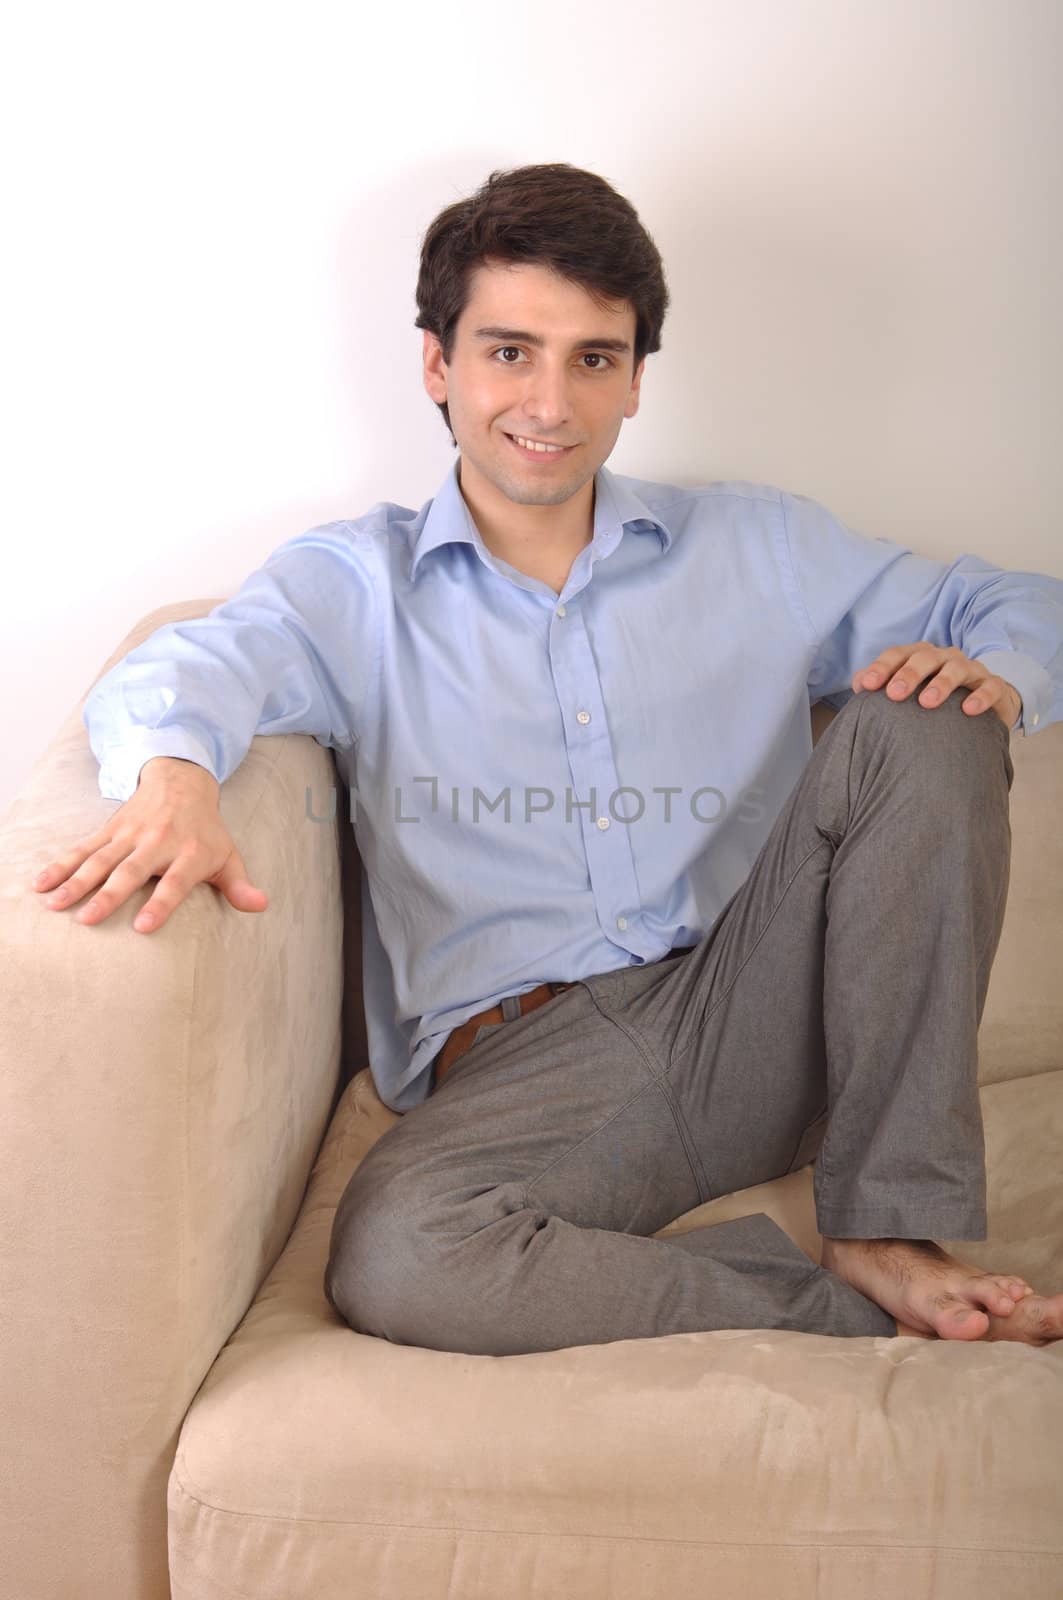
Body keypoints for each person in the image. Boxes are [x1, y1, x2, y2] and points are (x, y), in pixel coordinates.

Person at [34, 163, 1063, 1354]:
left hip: (759, 1002)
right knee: (399, 1251)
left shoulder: (757, 545)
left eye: (593, 357)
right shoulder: (352, 585)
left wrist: (1007, 676)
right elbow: (184, 666)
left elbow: (1013, 604)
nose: (550, 400)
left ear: (633, 379)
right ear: (439, 364)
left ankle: (888, 1225)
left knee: (935, 709)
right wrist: (177, 775)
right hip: (538, 1068)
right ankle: (840, 1313)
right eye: (509, 351)